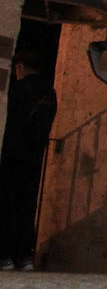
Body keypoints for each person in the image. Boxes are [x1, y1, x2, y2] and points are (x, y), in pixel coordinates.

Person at [0, 48, 57, 271]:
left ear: (20, 67)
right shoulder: (49, 92)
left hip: (12, 153)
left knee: (7, 204)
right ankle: (23, 256)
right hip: (34, 156)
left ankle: (4, 255)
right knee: (27, 205)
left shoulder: (18, 89)